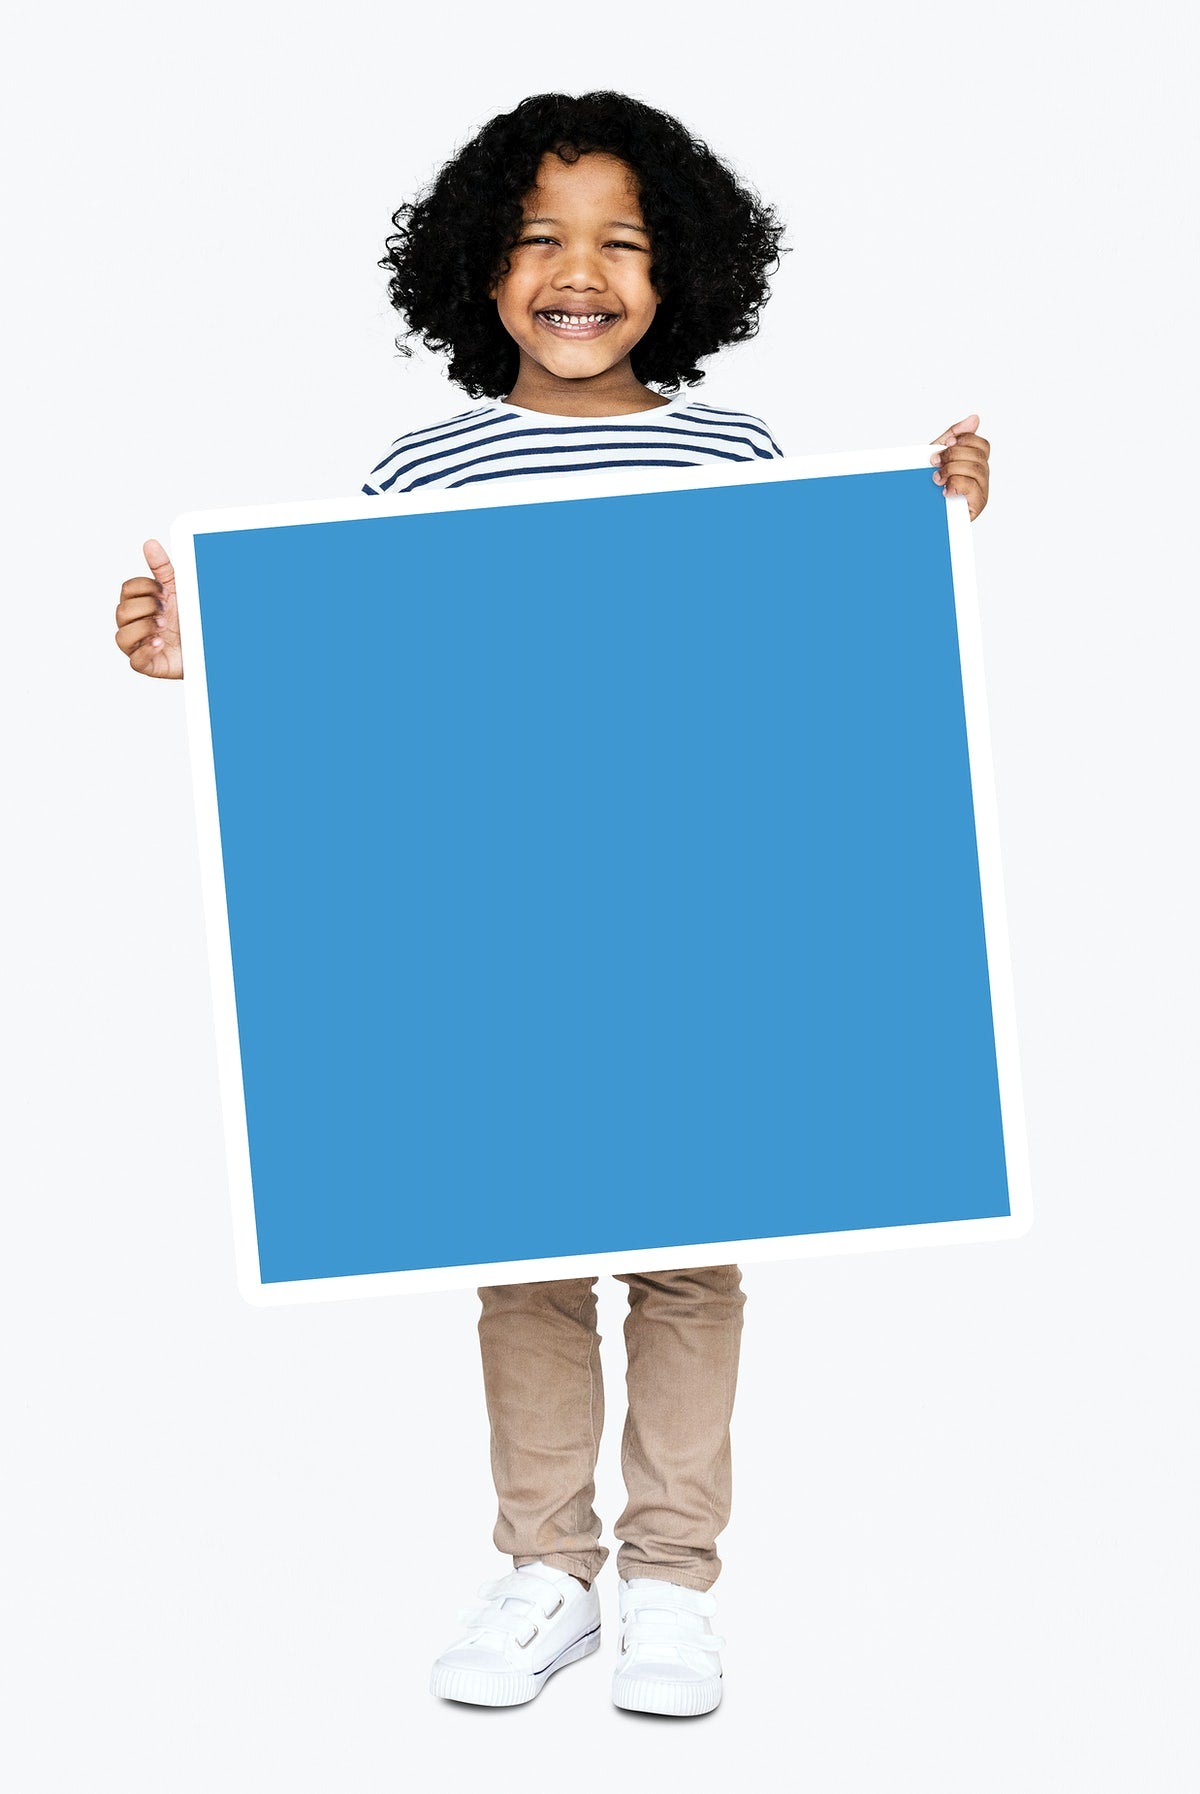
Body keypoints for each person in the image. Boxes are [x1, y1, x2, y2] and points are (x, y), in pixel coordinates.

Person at [113, 91, 991, 1717]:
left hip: (691, 916)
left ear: (684, 274)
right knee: (516, 1252)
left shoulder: (731, 450)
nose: (576, 273)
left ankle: (669, 1578)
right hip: (498, 925)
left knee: (686, 1260)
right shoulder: (421, 464)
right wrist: (203, 651)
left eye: (621, 243)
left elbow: (803, 666)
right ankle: (546, 1568)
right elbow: (348, 686)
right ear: (479, 269)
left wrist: (908, 529)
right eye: (538, 239)